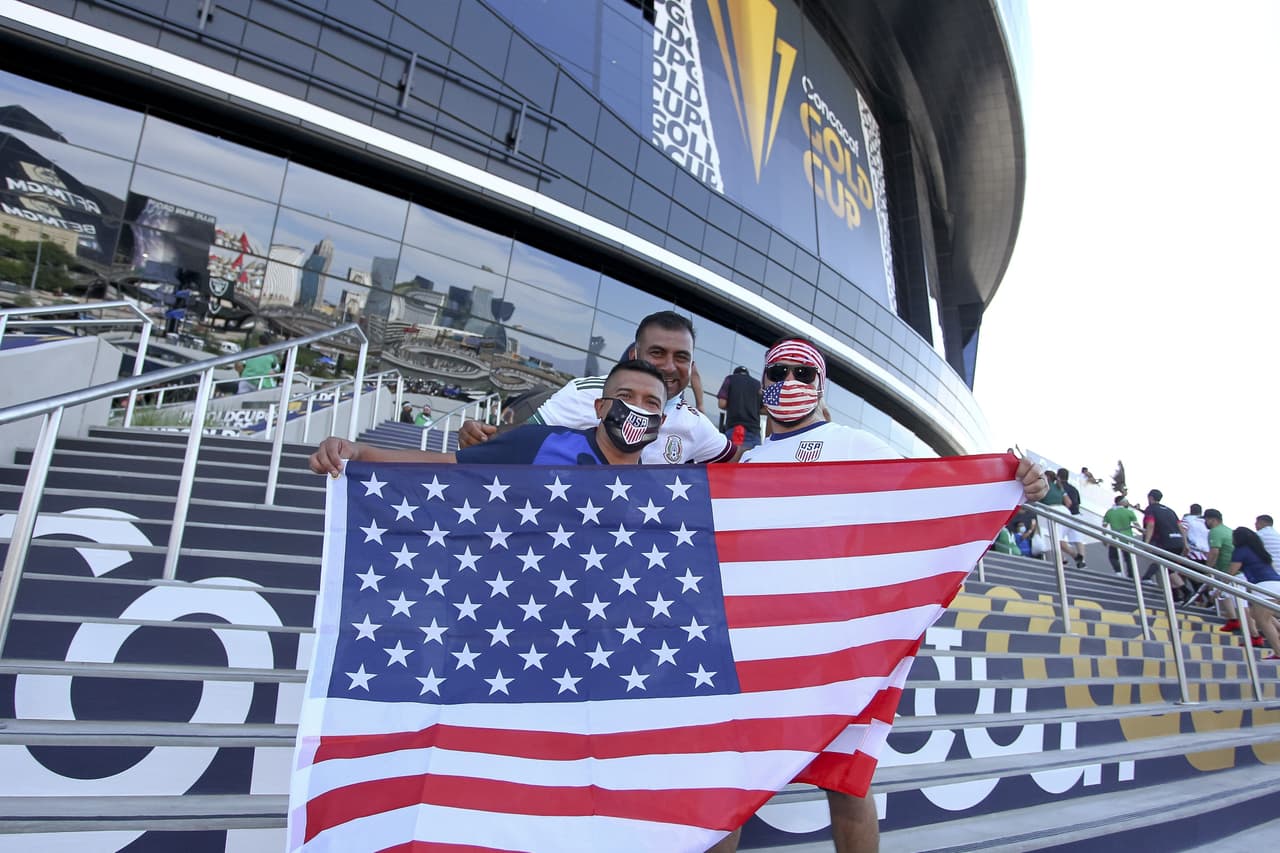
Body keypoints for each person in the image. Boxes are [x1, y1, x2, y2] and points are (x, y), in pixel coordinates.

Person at [709, 337, 1047, 853]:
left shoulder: (854, 445)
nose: (790, 383)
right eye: (778, 373)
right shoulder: (747, 465)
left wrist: (1014, 483)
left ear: (821, 386)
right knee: (730, 788)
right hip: (760, 645)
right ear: (763, 385)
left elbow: (932, 496)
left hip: (839, 647)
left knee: (845, 784)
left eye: (804, 373)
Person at [456, 311, 738, 465]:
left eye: (681, 357)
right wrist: (480, 434)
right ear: (634, 355)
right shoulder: (584, 393)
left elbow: (741, 461)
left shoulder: (696, 425)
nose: (669, 366)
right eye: (657, 353)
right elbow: (522, 437)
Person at [308, 360, 667, 473]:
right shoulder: (540, 443)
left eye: (651, 402)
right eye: (625, 397)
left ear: (661, 421)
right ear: (600, 407)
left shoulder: (664, 489)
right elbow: (444, 465)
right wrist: (358, 453)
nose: (637, 408)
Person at [1226, 526, 1280, 659]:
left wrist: (1217, 588)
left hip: (1264, 586)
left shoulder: (1240, 551)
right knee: (1255, 614)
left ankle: (1278, 652)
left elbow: (1231, 572)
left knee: (1263, 621)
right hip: (1275, 583)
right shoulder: (1258, 550)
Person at [1141, 489, 1189, 601]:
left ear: (1150, 498)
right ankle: (1176, 596)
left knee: (1160, 562)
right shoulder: (1170, 510)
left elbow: (1151, 524)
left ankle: (1186, 591)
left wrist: (1146, 542)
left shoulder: (1151, 509)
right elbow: (1181, 527)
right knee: (1168, 569)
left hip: (1165, 542)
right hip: (1178, 542)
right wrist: (1185, 544)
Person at [717, 365, 763, 449]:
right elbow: (765, 409)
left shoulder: (730, 379)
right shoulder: (757, 384)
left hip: (735, 430)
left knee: (732, 456)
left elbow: (722, 403)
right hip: (754, 432)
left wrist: (734, 405)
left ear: (735, 373)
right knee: (753, 457)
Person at [1101, 495, 1140, 575]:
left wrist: (1104, 538)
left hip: (1115, 538)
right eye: (1126, 501)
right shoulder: (1129, 512)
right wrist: (1145, 532)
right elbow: (1137, 526)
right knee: (1129, 559)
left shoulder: (1109, 512)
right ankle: (1131, 576)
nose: (1127, 503)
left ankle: (1118, 572)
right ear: (1122, 502)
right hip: (1128, 539)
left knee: (1113, 557)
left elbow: (1104, 527)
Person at [1056, 468, 1087, 568]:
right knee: (1078, 539)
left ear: (1058, 476)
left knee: (1058, 538)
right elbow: (1077, 503)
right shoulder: (1074, 489)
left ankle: (1063, 559)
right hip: (1076, 515)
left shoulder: (1058, 488)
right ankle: (1082, 560)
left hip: (1064, 514)